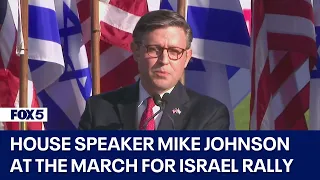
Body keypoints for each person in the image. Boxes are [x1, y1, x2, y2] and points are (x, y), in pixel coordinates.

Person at [79, 9, 230, 130]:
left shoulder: (209, 114)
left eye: (174, 51)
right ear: (136, 51)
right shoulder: (98, 109)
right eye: (154, 49)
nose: (164, 60)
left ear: (186, 58)